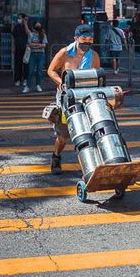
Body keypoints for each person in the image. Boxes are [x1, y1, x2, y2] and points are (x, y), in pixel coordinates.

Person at [46, 23, 101, 174]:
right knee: (64, 136)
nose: (87, 42)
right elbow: (51, 71)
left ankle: (90, 165)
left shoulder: (94, 56)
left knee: (88, 133)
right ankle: (56, 156)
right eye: (84, 39)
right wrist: (62, 83)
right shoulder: (65, 53)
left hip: (85, 98)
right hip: (66, 98)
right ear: (76, 38)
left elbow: (96, 77)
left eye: (90, 39)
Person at [24, 22, 48, 93]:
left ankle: (38, 85)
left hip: (40, 54)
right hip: (33, 54)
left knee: (39, 71)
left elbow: (44, 45)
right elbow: (29, 44)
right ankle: (28, 86)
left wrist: (34, 45)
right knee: (30, 71)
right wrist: (38, 45)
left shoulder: (43, 35)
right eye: (37, 25)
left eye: (39, 26)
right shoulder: (31, 35)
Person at [11, 13, 29, 87]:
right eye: (19, 18)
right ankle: (17, 79)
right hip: (18, 46)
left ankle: (25, 79)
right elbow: (13, 37)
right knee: (17, 64)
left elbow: (29, 34)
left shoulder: (27, 26)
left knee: (25, 64)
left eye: (20, 18)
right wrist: (13, 46)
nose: (19, 20)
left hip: (26, 47)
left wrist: (25, 25)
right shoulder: (16, 27)